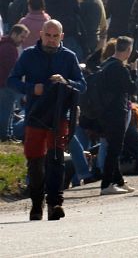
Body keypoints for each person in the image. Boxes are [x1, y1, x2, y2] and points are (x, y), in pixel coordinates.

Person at [8, 20, 84, 220]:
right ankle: (36, 203)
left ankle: (55, 203)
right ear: (41, 34)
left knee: (56, 160)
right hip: (35, 115)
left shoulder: (69, 56)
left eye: (55, 36)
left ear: (61, 36)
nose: (51, 39)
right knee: (35, 162)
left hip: (59, 116)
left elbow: (82, 85)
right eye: (48, 35)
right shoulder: (29, 55)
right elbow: (12, 80)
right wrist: (33, 88)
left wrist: (65, 82)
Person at [89, 36, 137, 195]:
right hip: (116, 112)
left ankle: (119, 181)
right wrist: (134, 70)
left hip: (103, 112)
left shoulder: (106, 64)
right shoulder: (120, 69)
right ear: (128, 50)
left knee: (112, 147)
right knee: (114, 149)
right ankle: (106, 184)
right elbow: (132, 89)